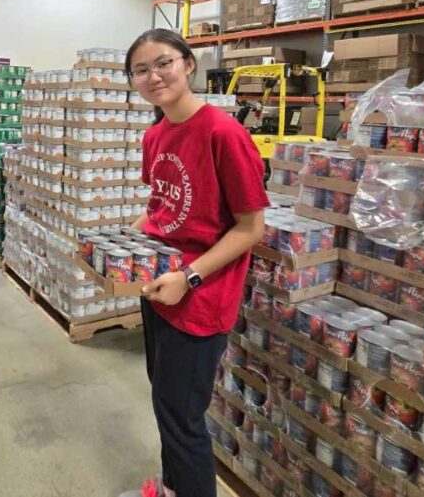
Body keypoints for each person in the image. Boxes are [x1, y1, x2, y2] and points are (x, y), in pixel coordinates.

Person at [120, 29, 267, 497]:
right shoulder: (156, 135)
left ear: (187, 64)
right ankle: (170, 489)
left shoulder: (224, 133)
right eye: (141, 70)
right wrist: (123, 242)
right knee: (166, 402)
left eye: (163, 63)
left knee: (183, 419)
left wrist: (189, 276)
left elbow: (250, 228)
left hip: (200, 297)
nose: (154, 76)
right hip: (158, 286)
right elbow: (160, 209)